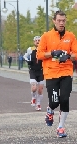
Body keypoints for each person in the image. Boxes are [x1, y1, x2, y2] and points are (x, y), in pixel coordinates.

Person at [37, 10, 77, 138]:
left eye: (63, 21)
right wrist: (52, 53)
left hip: (66, 72)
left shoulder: (71, 36)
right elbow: (39, 55)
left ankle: (61, 127)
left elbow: (76, 54)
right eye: (59, 20)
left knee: (65, 99)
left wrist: (69, 56)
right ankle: (50, 109)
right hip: (51, 73)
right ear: (54, 21)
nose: (61, 23)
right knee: (55, 102)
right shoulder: (46, 36)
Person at [23, 36, 44, 111]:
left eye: (39, 40)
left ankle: (38, 104)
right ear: (34, 42)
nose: (37, 42)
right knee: (34, 88)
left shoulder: (43, 49)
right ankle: (33, 98)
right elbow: (24, 56)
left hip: (41, 71)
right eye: (36, 40)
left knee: (40, 90)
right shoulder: (30, 49)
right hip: (33, 71)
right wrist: (28, 61)